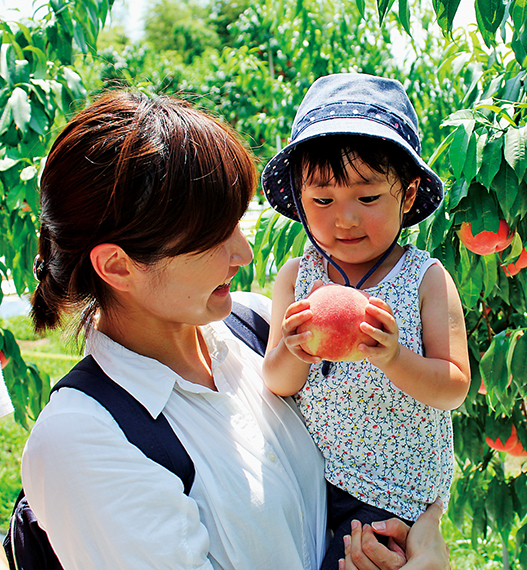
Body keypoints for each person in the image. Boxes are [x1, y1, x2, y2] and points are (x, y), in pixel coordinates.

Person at [20, 89, 447, 570]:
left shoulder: (256, 325)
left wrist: (420, 532)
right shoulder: (84, 442)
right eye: (212, 236)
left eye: (238, 222)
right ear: (118, 266)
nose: (244, 253)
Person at [260, 73, 470, 570]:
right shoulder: (297, 278)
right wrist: (293, 350)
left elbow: (453, 386)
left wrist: (395, 357)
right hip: (311, 480)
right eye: (323, 200)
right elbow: (276, 381)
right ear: (299, 197)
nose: (345, 219)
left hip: (391, 496)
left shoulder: (426, 279)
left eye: (368, 198)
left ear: (408, 191)